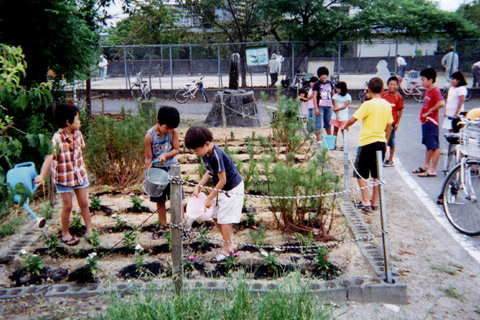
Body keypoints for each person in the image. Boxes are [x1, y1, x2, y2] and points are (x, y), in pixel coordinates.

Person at [34, 103, 93, 246]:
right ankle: (65, 233)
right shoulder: (57, 139)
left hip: (79, 174)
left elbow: (82, 146)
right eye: (77, 119)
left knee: (84, 202)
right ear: (68, 122)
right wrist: (42, 175)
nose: (80, 122)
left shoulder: (78, 134)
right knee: (67, 206)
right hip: (64, 178)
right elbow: (49, 157)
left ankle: (90, 230)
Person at [185, 126, 244, 263]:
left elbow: (223, 180)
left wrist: (210, 198)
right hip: (222, 189)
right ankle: (229, 243)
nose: (195, 153)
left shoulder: (216, 155)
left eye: (195, 150)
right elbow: (209, 172)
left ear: (206, 144)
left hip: (231, 189)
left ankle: (227, 248)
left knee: (224, 219)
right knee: (217, 216)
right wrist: (199, 186)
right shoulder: (206, 154)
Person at [344, 77, 393, 213]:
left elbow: (353, 119)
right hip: (381, 142)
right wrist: (386, 140)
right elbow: (389, 125)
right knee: (377, 174)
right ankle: (374, 201)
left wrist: (345, 126)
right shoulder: (387, 105)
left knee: (361, 172)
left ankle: (365, 201)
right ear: (383, 90)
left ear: (369, 90)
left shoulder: (367, 104)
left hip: (367, 142)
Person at [145, 106, 181, 239]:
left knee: (176, 197)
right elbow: (148, 158)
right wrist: (147, 175)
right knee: (159, 199)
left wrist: (166, 155)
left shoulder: (173, 132)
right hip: (157, 172)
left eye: (171, 129)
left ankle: (179, 224)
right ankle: (163, 225)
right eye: (167, 128)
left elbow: (176, 149)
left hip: (172, 168)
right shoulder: (149, 136)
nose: (169, 131)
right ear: (158, 122)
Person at [412, 68, 445, 177]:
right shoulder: (428, 90)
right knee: (428, 145)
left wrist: (430, 111)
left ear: (430, 80)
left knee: (434, 146)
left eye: (423, 80)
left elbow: (441, 103)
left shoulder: (435, 90)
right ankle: (425, 165)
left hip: (431, 121)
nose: (422, 82)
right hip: (425, 121)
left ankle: (432, 169)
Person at [381, 76, 404, 167]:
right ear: (387, 85)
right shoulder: (383, 95)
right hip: (382, 122)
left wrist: (397, 123)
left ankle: (390, 159)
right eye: (391, 84)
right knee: (382, 141)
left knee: (391, 142)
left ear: (397, 85)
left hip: (391, 123)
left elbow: (400, 110)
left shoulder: (398, 97)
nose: (392, 86)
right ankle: (381, 158)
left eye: (394, 84)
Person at [312, 66, 334, 139]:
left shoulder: (330, 83)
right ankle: (318, 139)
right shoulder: (316, 84)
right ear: (319, 75)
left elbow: (332, 95)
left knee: (328, 122)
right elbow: (314, 96)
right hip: (320, 105)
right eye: (322, 75)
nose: (324, 76)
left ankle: (329, 139)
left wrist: (334, 105)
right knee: (318, 123)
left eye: (325, 74)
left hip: (328, 105)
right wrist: (316, 108)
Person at [329, 81, 351, 151]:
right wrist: (337, 115)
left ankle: (345, 144)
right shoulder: (335, 96)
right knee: (335, 130)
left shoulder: (348, 96)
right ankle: (334, 144)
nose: (336, 90)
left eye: (338, 88)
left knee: (343, 130)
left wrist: (336, 109)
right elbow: (335, 105)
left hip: (344, 116)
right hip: (336, 115)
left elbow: (345, 106)